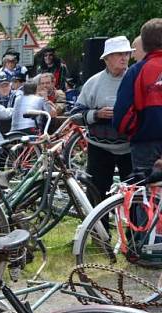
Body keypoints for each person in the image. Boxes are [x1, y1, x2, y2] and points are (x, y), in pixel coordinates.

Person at [72, 36, 134, 200]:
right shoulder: (94, 82)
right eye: (119, 54)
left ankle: (136, 226)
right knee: (97, 192)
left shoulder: (135, 79)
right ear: (107, 58)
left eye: (127, 54)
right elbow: (75, 115)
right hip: (99, 147)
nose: (124, 58)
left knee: (135, 193)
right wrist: (97, 114)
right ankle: (98, 226)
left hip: (130, 146)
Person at [114, 18, 162, 174]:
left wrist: (138, 130)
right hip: (146, 143)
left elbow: (121, 117)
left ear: (145, 44)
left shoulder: (136, 71)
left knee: (145, 195)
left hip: (146, 146)